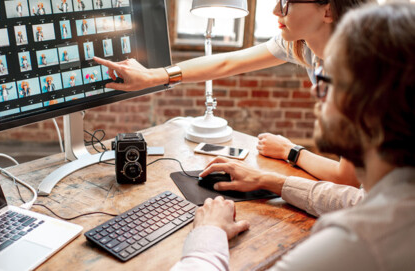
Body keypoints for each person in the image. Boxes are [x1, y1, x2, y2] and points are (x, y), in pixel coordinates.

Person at [171, 3, 415, 270]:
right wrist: (270, 180)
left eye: (330, 79)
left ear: (370, 102)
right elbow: (357, 199)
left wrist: (208, 234)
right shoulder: (398, 194)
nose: (315, 90)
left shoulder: (360, 240)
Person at [95, 0, 374, 187]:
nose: (276, 11)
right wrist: (154, 76)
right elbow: (228, 62)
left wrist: (291, 152)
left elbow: (347, 179)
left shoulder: (359, 69)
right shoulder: (304, 46)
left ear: (328, 11)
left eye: (287, 3)